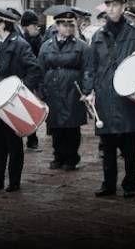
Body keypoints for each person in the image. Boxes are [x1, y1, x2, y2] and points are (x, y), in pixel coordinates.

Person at [84, 0, 135, 198]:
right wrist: (89, 91)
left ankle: (130, 184)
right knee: (107, 146)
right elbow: (91, 67)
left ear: (124, 6)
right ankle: (109, 184)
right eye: (108, 4)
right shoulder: (98, 35)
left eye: (115, 4)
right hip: (105, 97)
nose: (111, 9)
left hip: (128, 97)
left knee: (129, 146)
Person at [0, 7, 42, 192]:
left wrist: (19, 90)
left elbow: (34, 69)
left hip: (12, 102)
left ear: (3, 24)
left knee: (13, 143)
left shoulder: (20, 44)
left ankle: (14, 181)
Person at [38, 10, 92, 171]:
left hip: (72, 90)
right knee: (55, 125)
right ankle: (58, 156)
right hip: (52, 89)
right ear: (57, 26)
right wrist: (40, 91)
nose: (67, 28)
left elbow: (88, 69)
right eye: (64, 25)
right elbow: (40, 68)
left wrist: (87, 90)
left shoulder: (81, 46)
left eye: (70, 25)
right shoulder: (46, 45)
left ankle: (71, 157)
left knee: (71, 126)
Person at [20, 9, 42, 150]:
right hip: (25, 79)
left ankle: (32, 139)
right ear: (28, 26)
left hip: (32, 79)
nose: (37, 28)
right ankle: (31, 139)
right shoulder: (23, 40)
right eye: (34, 25)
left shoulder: (36, 39)